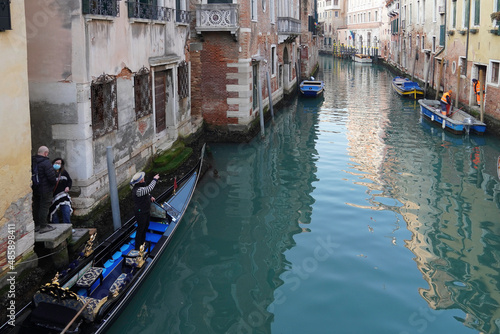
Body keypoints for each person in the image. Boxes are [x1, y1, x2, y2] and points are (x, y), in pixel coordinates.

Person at [130, 172, 160, 250]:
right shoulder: (138, 190)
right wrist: (154, 179)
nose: (144, 178)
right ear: (140, 181)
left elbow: (146, 192)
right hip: (140, 212)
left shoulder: (141, 187)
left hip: (145, 210)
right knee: (141, 229)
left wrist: (150, 196)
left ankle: (142, 243)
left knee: (146, 226)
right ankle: (137, 247)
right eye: (142, 178)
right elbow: (149, 188)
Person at [32, 146, 57, 233]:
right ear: (45, 153)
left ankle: (37, 225)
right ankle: (43, 226)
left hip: (36, 188)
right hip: (46, 189)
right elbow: (51, 177)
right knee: (44, 207)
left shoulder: (33, 160)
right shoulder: (46, 162)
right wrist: (54, 184)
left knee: (36, 206)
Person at [49, 158, 73, 224]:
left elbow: (69, 181)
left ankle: (67, 225)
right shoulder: (50, 173)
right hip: (53, 196)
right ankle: (56, 226)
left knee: (66, 210)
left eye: (59, 163)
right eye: (56, 163)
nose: (57, 164)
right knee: (53, 211)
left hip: (63, 195)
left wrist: (68, 187)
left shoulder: (64, 173)